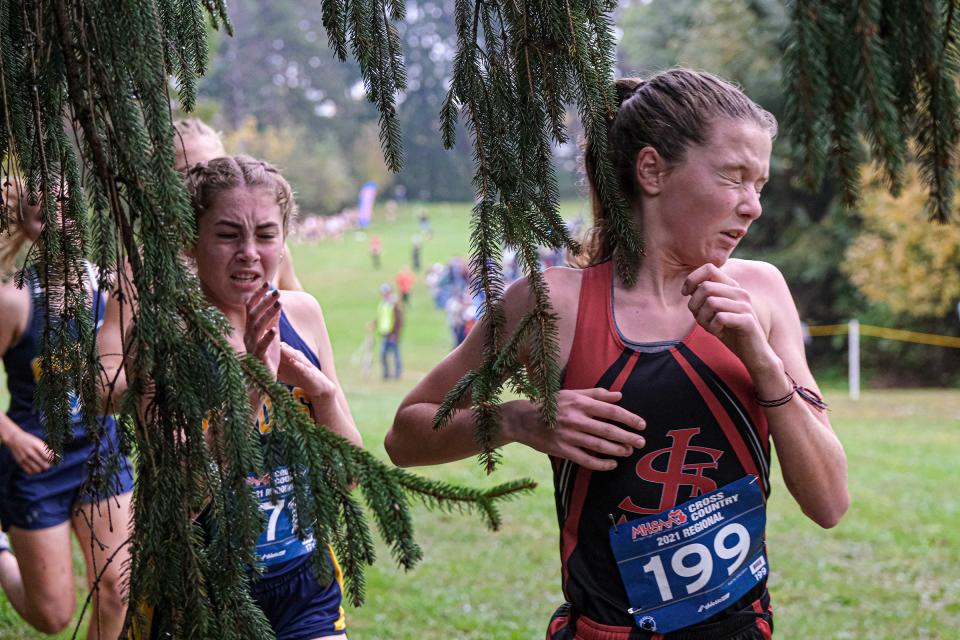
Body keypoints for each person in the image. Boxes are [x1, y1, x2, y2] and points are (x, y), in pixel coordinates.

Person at [385, 69, 849, 639]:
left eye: (760, 184)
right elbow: (405, 436)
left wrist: (763, 361)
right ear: (652, 171)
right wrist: (516, 419)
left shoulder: (762, 293)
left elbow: (829, 502)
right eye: (733, 177)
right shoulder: (554, 303)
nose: (752, 206)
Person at [132, 155, 361, 639]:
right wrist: (257, 383)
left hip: (304, 585)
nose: (250, 252)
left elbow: (349, 476)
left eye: (266, 234)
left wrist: (323, 396)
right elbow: (183, 496)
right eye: (228, 234)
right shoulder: (164, 339)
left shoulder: (303, 314)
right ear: (191, 242)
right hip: (200, 594)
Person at [0, 177, 134, 638]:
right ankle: (1, 552)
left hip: (100, 451)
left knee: (119, 590)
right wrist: (13, 437)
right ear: (29, 227)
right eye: (43, 213)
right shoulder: (13, 300)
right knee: (54, 617)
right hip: (35, 463)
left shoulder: (109, 285)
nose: (59, 220)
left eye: (66, 205)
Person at [174, 118, 304, 292]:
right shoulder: (142, 271)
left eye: (217, 170)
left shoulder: (271, 249)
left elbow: (294, 311)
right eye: (189, 173)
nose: (202, 184)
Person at [376, 284, 403, 380]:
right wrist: (375, 323)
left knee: (396, 354)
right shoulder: (383, 304)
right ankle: (386, 373)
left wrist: (395, 334)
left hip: (392, 334)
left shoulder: (394, 304)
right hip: (384, 334)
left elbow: (399, 320)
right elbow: (382, 318)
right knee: (382, 355)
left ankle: (397, 373)